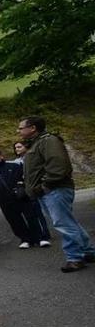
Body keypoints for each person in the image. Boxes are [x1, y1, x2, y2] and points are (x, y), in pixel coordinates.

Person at [19, 116, 95, 272]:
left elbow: (58, 166)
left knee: (64, 224)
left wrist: (44, 186)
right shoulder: (37, 143)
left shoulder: (48, 141)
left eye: (21, 128)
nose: (18, 130)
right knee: (69, 222)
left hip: (54, 190)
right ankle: (89, 252)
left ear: (32, 128)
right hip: (49, 191)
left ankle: (75, 258)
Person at [0, 150, 51, 249]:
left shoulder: (15, 164)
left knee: (31, 216)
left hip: (21, 195)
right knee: (14, 220)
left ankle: (41, 238)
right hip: (3, 199)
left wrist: (20, 184)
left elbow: (26, 176)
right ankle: (25, 239)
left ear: (1, 156)